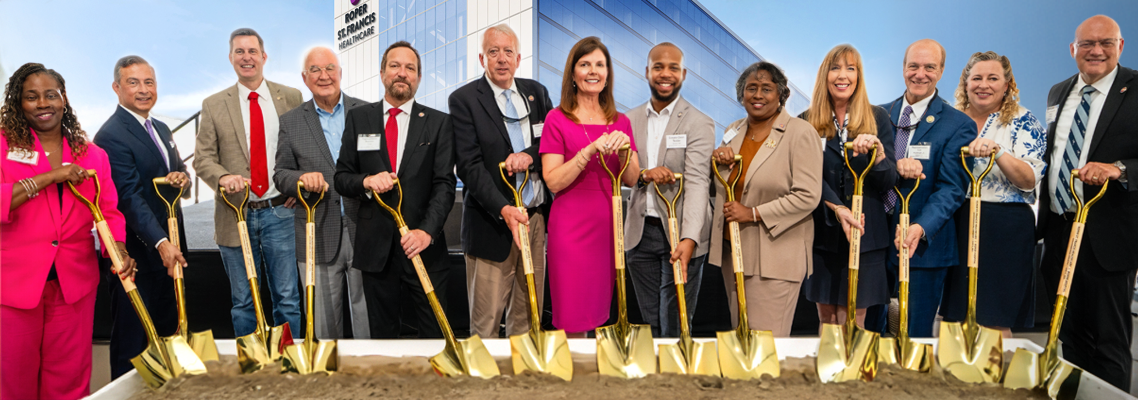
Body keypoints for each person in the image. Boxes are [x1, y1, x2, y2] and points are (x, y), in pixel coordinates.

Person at [1, 63, 136, 400]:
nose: (42, 104)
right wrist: (50, 176)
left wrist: (118, 249)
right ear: (18, 102)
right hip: (14, 285)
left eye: (50, 95)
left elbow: (108, 211)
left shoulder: (93, 154)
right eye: (31, 97)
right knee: (13, 380)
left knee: (69, 380)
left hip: (73, 284)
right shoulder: (3, 146)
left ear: (64, 99)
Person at [1038, 15, 1137, 391]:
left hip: (1107, 235)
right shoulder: (1058, 92)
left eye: (1106, 42)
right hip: (1060, 230)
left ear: (1120, 46)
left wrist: (1119, 169)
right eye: (1087, 44)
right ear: (1073, 49)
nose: (1096, 50)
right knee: (1069, 335)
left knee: (1108, 343)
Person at [334, 41, 457, 339]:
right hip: (376, 252)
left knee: (434, 334)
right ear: (382, 73)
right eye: (395, 66)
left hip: (424, 247)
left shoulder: (439, 123)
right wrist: (366, 181)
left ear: (418, 77)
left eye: (410, 68)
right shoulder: (359, 119)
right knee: (383, 338)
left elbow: (444, 184)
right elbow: (341, 177)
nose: (402, 73)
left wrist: (426, 232)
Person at [193, 28, 304, 339]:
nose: (246, 57)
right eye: (239, 52)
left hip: (281, 214)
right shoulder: (214, 104)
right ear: (231, 58)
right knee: (243, 303)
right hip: (234, 215)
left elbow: (305, 149)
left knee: (288, 300)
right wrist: (222, 177)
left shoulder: (291, 98)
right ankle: (251, 363)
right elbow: (203, 159)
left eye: (252, 51)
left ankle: (288, 361)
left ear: (264, 56)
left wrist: (296, 187)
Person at [863, 39, 974, 338]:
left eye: (929, 67)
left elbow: (951, 188)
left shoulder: (958, 124)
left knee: (913, 337)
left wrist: (920, 227)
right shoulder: (876, 115)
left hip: (923, 248)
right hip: (873, 242)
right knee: (868, 334)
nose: (920, 74)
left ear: (942, 71)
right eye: (913, 66)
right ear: (903, 68)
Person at [451, 24, 556, 338]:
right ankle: (484, 373)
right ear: (482, 58)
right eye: (493, 52)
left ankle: (521, 371)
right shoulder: (464, 100)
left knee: (528, 318)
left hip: (534, 220)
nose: (501, 59)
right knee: (485, 324)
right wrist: (503, 209)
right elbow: (468, 166)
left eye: (508, 51)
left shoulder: (537, 93)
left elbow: (551, 143)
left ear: (518, 58)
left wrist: (529, 156)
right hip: (491, 223)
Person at [92, 55, 193, 379]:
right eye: (133, 83)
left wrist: (182, 180)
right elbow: (129, 198)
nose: (143, 90)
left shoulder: (160, 128)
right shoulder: (111, 135)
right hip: (136, 256)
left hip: (169, 254)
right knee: (133, 347)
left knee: (167, 338)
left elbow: (179, 174)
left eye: (149, 82)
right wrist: (161, 243)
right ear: (116, 87)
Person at [709, 61, 822, 337]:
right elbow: (725, 184)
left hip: (775, 257)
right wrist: (716, 163)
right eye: (751, 88)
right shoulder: (733, 130)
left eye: (766, 88)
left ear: (781, 94)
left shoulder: (800, 132)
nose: (758, 95)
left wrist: (753, 213)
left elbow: (807, 196)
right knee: (741, 342)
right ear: (742, 94)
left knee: (766, 345)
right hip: (733, 252)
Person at [939, 51, 1046, 338]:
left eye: (993, 78)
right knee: (954, 315)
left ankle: (995, 367)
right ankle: (954, 367)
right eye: (976, 78)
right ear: (965, 83)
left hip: (1004, 226)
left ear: (1007, 85)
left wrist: (998, 152)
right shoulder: (950, 119)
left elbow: (1029, 180)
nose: (983, 85)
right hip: (955, 220)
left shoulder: (1023, 121)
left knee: (994, 317)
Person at [540, 36, 640, 337]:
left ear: (608, 73)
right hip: (569, 228)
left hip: (607, 228)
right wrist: (588, 151)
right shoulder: (556, 119)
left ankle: (591, 365)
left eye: (600, 64)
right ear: (573, 73)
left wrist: (625, 150)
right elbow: (553, 180)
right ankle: (573, 365)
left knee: (598, 313)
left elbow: (632, 178)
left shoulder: (621, 121)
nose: (593, 71)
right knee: (572, 315)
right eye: (585, 64)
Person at [273, 47, 370, 339]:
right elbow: (281, 174)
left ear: (340, 73)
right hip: (316, 231)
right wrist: (301, 179)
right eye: (315, 70)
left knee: (369, 318)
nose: (323, 75)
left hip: (366, 227)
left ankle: (371, 366)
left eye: (330, 68)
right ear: (305, 78)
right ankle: (329, 369)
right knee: (325, 326)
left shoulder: (367, 112)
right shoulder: (291, 121)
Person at [800, 45, 896, 332]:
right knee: (827, 319)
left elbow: (888, 181)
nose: (843, 76)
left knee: (854, 320)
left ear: (859, 76)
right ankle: (829, 364)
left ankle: (854, 363)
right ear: (825, 75)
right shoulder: (805, 122)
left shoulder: (877, 117)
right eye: (835, 68)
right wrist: (837, 207)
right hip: (822, 234)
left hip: (865, 235)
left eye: (850, 69)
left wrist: (878, 154)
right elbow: (806, 177)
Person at [624, 42, 714, 338]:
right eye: (658, 67)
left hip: (680, 233)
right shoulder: (628, 120)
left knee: (674, 323)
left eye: (673, 68)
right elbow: (625, 175)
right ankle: (657, 368)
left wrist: (689, 239)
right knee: (652, 323)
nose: (666, 74)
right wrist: (644, 175)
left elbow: (698, 182)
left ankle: (677, 367)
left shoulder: (699, 123)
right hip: (640, 235)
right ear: (646, 72)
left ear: (683, 74)